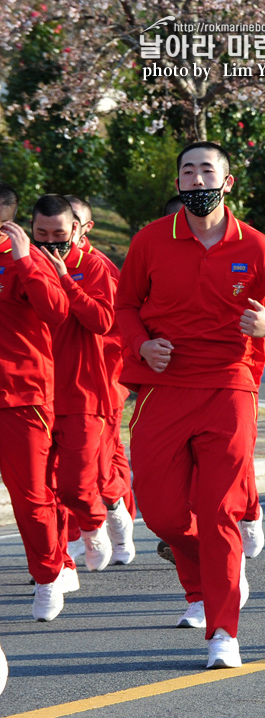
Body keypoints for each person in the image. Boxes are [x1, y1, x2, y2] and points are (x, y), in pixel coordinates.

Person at [116, 142, 265, 668]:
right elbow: (126, 307)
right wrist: (141, 345)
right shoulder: (150, 241)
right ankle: (213, 572)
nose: (197, 179)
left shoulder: (257, 246)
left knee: (219, 508)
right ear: (178, 183)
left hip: (231, 386)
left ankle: (224, 631)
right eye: (188, 171)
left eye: (208, 171)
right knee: (161, 513)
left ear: (226, 183)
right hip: (164, 387)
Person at [31, 195, 120, 573]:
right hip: (36, 391)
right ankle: (60, 563)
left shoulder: (95, 266)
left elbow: (104, 321)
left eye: (59, 233)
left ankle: (98, 520)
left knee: (76, 484)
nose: (50, 241)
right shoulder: (23, 266)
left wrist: (65, 280)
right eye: (41, 233)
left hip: (83, 391)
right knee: (41, 488)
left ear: (76, 231)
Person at [0, 182, 72, 620]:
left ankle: (48, 576)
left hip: (20, 397)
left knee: (30, 497)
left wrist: (26, 260)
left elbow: (57, 311)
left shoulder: (29, 260)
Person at [67, 197, 136, 564]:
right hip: (57, 384)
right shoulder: (36, 264)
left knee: (103, 462)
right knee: (66, 467)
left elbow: (114, 325)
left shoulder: (99, 268)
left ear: (85, 227)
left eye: (72, 223)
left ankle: (116, 510)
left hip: (101, 380)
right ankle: (73, 537)